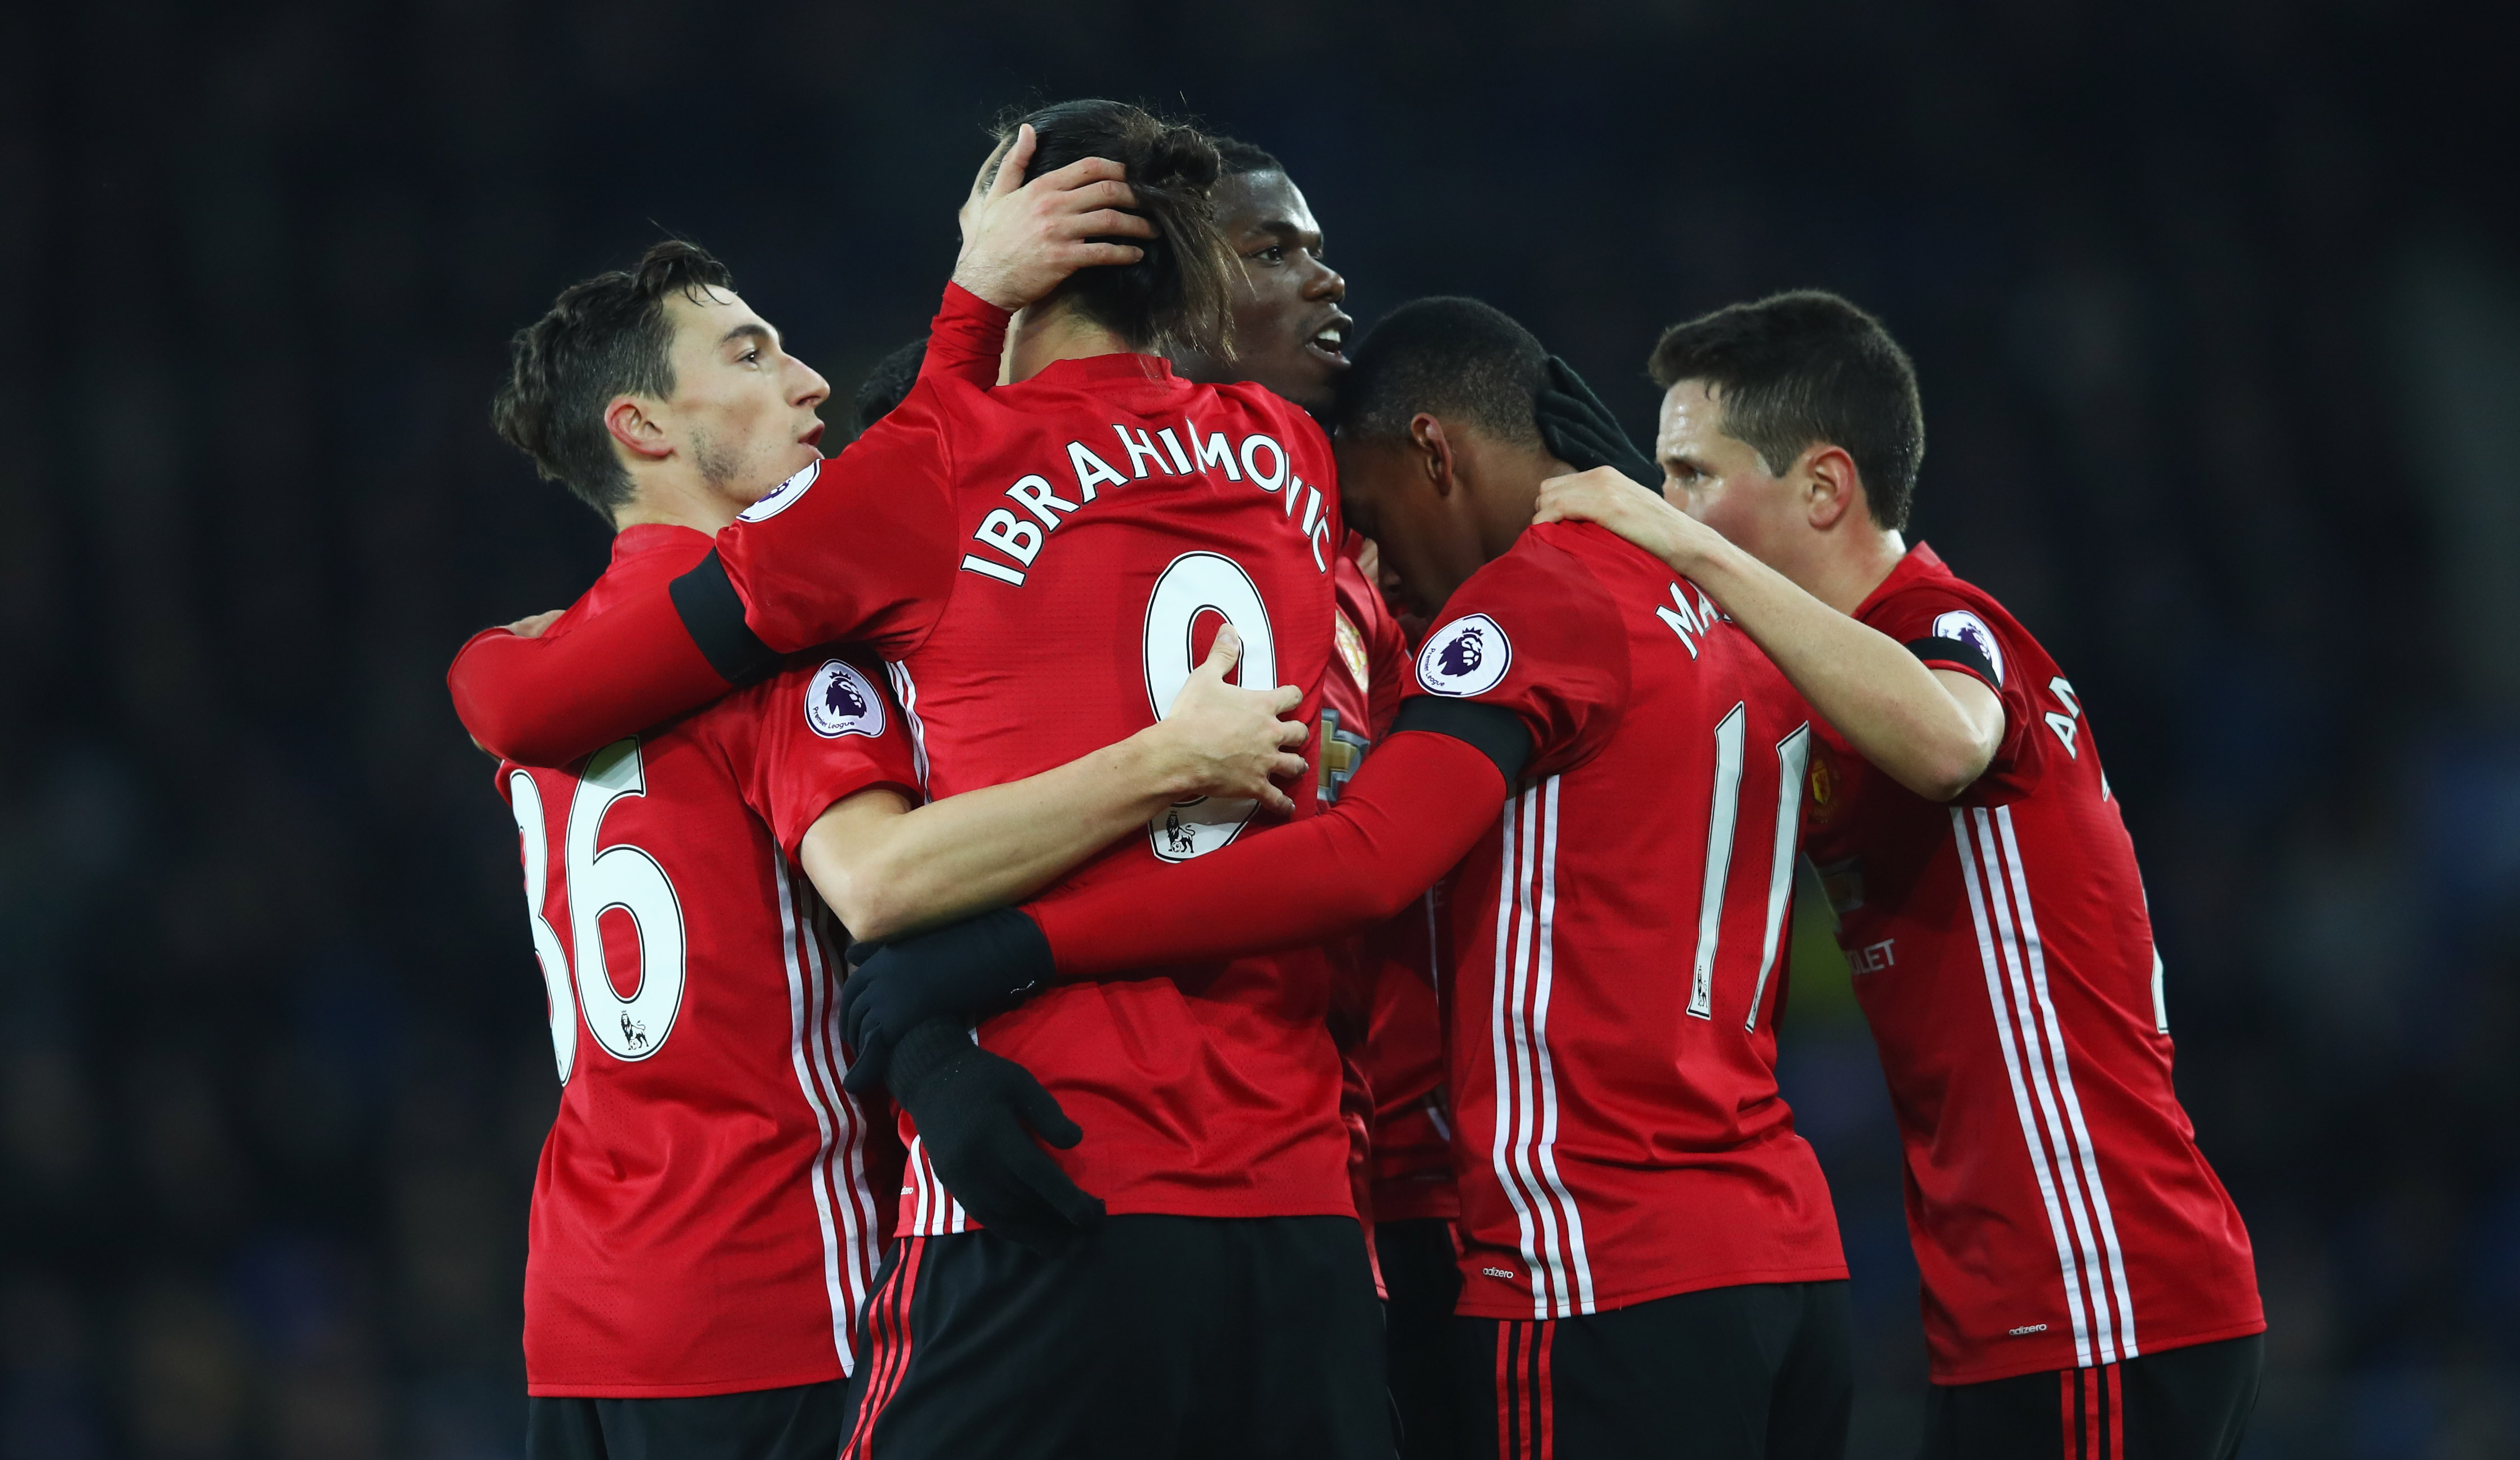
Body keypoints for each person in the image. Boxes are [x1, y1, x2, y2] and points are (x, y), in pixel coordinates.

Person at [842, 296, 2015, 1458]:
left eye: (1365, 512)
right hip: (1780, 1252)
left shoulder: (1536, 600)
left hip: (1599, 1256)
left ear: (1430, 452)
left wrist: (1020, 944)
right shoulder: (1733, 613)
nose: (1370, 560)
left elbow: (1364, 859)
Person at [448, 102, 1391, 1459]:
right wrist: (1163, 762)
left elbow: (520, 706)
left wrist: (975, 306)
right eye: (755, 352)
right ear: (641, 426)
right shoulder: (1288, 455)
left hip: (607, 1292)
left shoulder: (542, 650)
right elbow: (877, 880)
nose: (815, 384)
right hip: (895, 1251)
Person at [1532, 291, 2266, 1460]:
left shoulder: (1945, 625)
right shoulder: (1813, 686)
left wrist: (1682, 545)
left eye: (1689, 474)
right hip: (2008, 1302)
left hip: (2098, 1285)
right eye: (1660, 480)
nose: (1661, 507)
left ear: (1823, 488)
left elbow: (1946, 742)